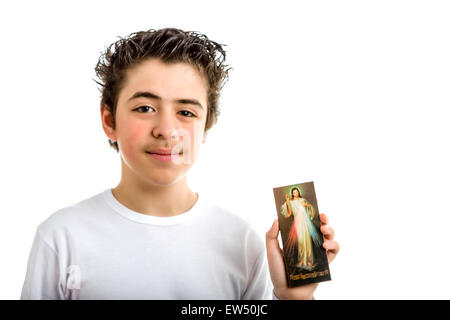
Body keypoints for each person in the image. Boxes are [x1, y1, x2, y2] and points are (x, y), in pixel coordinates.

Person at [20, 28, 339, 300]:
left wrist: (293, 298)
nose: (167, 130)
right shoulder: (60, 237)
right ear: (109, 120)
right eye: (145, 108)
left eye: (186, 112)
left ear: (205, 128)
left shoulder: (242, 242)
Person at [280, 188, 322, 270]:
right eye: (294, 192)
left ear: (299, 192)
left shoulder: (303, 200)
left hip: (305, 222)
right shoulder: (291, 202)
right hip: (298, 223)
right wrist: (288, 201)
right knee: (301, 241)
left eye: (297, 191)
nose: (296, 193)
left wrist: (307, 205)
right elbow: (288, 214)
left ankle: (309, 261)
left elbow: (310, 209)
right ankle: (302, 260)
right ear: (292, 194)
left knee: (307, 241)